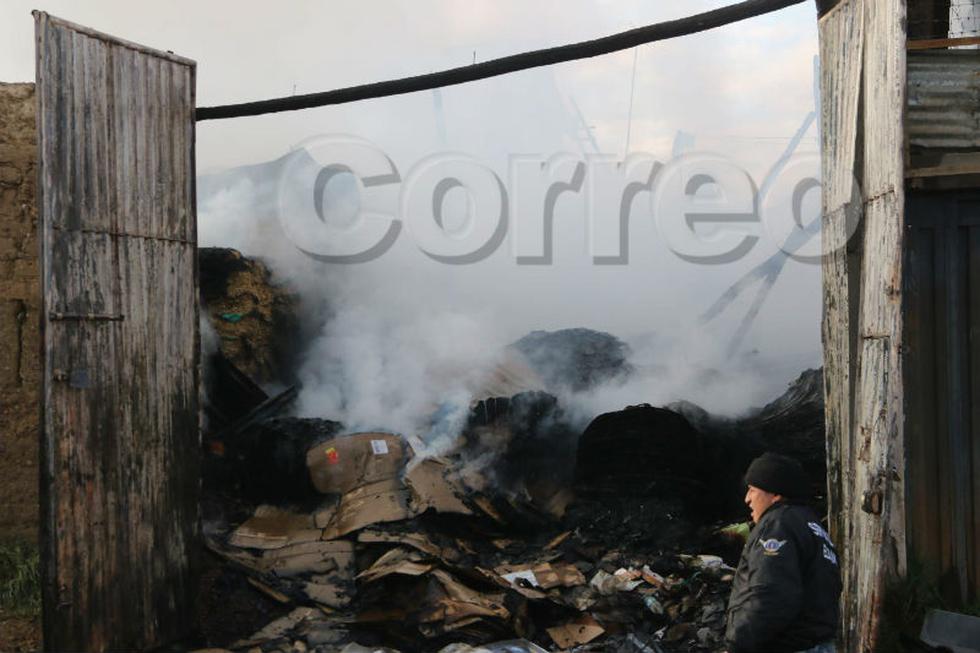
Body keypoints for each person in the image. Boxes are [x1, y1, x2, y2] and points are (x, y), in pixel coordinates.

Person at [724, 452, 842, 653]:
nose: (747, 499)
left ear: (775, 494)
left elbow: (771, 594)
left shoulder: (777, 525)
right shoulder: (813, 527)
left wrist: (737, 644)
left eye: (752, 490)